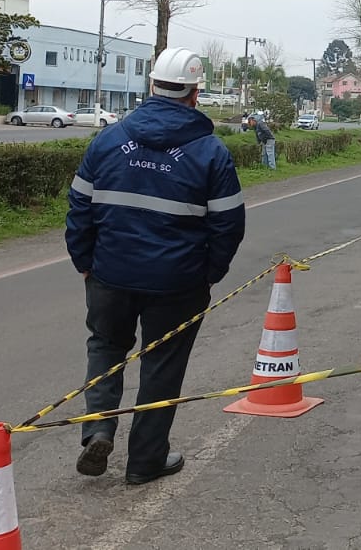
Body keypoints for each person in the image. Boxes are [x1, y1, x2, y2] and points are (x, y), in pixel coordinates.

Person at [66, 47, 246, 486]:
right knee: (162, 366)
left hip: (109, 274)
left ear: (152, 86)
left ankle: (99, 430)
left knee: (106, 349)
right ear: (195, 93)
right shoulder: (210, 152)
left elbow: (79, 208)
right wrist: (209, 273)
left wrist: (85, 262)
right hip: (178, 283)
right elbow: (229, 225)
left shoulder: (108, 140)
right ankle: (146, 461)